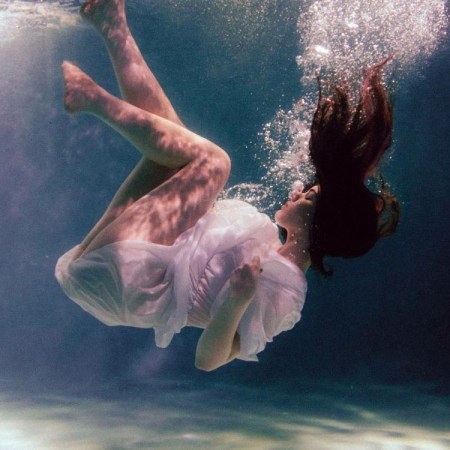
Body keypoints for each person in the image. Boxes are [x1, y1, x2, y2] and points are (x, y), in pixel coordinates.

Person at [55, 0, 399, 371]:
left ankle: (93, 98)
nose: (299, 191)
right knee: (174, 148)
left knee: (214, 163)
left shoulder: (286, 295)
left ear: (320, 222)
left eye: (309, 196)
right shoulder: (267, 246)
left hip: (123, 281)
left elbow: (208, 360)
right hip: (108, 269)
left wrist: (236, 301)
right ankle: (112, 26)